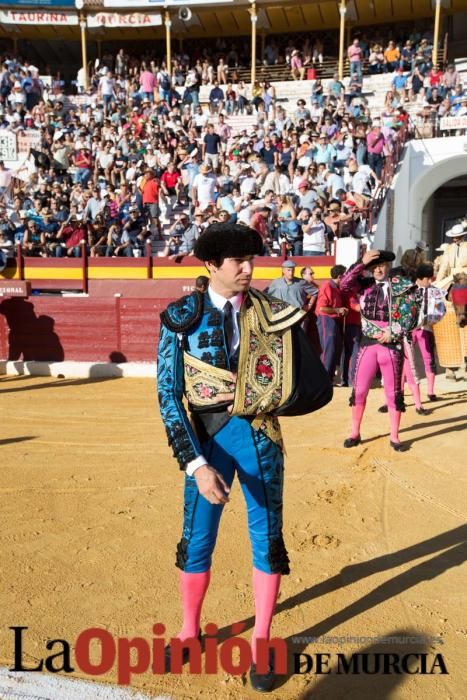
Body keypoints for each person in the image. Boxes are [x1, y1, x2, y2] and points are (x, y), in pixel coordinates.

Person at [157, 223, 331, 692]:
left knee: (267, 538)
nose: (248, 269)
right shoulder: (180, 317)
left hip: (261, 438)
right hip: (207, 442)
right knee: (197, 538)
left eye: (252, 260)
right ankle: (190, 630)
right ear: (211, 265)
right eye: (237, 262)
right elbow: (170, 398)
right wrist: (195, 465)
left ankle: (262, 640)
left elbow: (307, 382)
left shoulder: (276, 313)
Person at [340, 250, 421, 451]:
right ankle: (355, 432)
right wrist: (360, 262)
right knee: (359, 391)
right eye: (373, 266)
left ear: (388, 266)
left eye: (381, 265)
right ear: (368, 269)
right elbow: (344, 285)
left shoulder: (402, 286)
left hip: (391, 347)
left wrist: (394, 331)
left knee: (393, 393)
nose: (378, 269)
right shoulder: (363, 286)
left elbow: (413, 313)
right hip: (368, 345)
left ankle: (394, 436)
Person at [316, 264, 348, 380]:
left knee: (333, 348)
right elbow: (322, 308)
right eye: (345, 276)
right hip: (326, 319)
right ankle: (323, 378)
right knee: (329, 348)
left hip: (333, 320)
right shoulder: (327, 286)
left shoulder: (334, 287)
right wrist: (338, 310)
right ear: (340, 276)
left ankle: (328, 377)